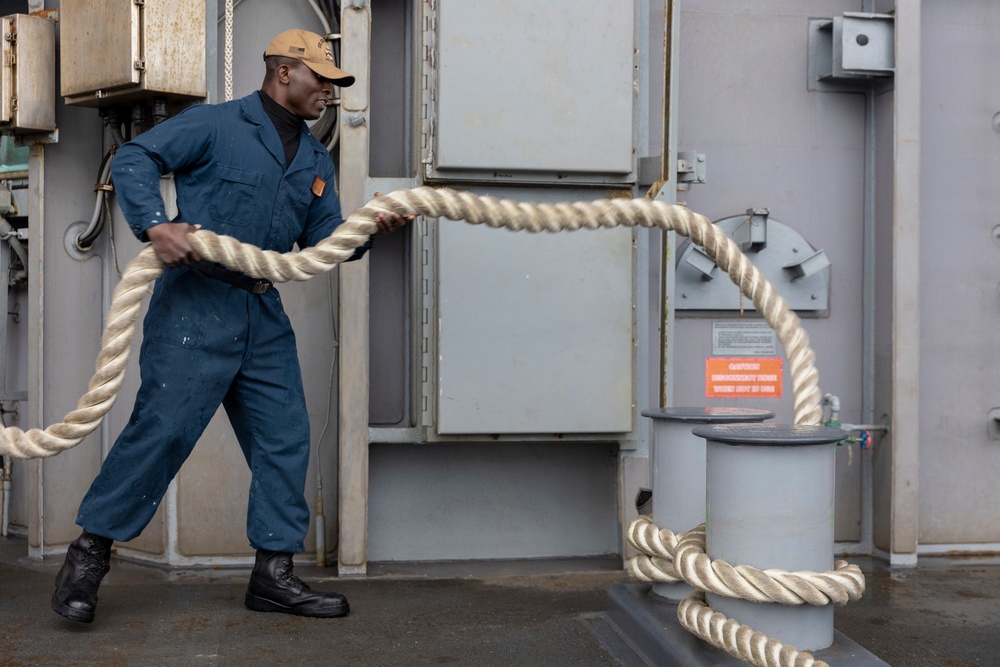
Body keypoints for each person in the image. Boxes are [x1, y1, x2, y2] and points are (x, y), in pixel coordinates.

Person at [51, 29, 406, 624]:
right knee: (161, 433)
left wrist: (367, 231)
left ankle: (273, 573)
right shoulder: (216, 124)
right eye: (321, 79)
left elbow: (320, 244)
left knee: (285, 438)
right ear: (284, 71)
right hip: (196, 303)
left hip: (261, 314)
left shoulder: (317, 159)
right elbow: (136, 156)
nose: (329, 92)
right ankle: (89, 555)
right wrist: (155, 224)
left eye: (333, 83)